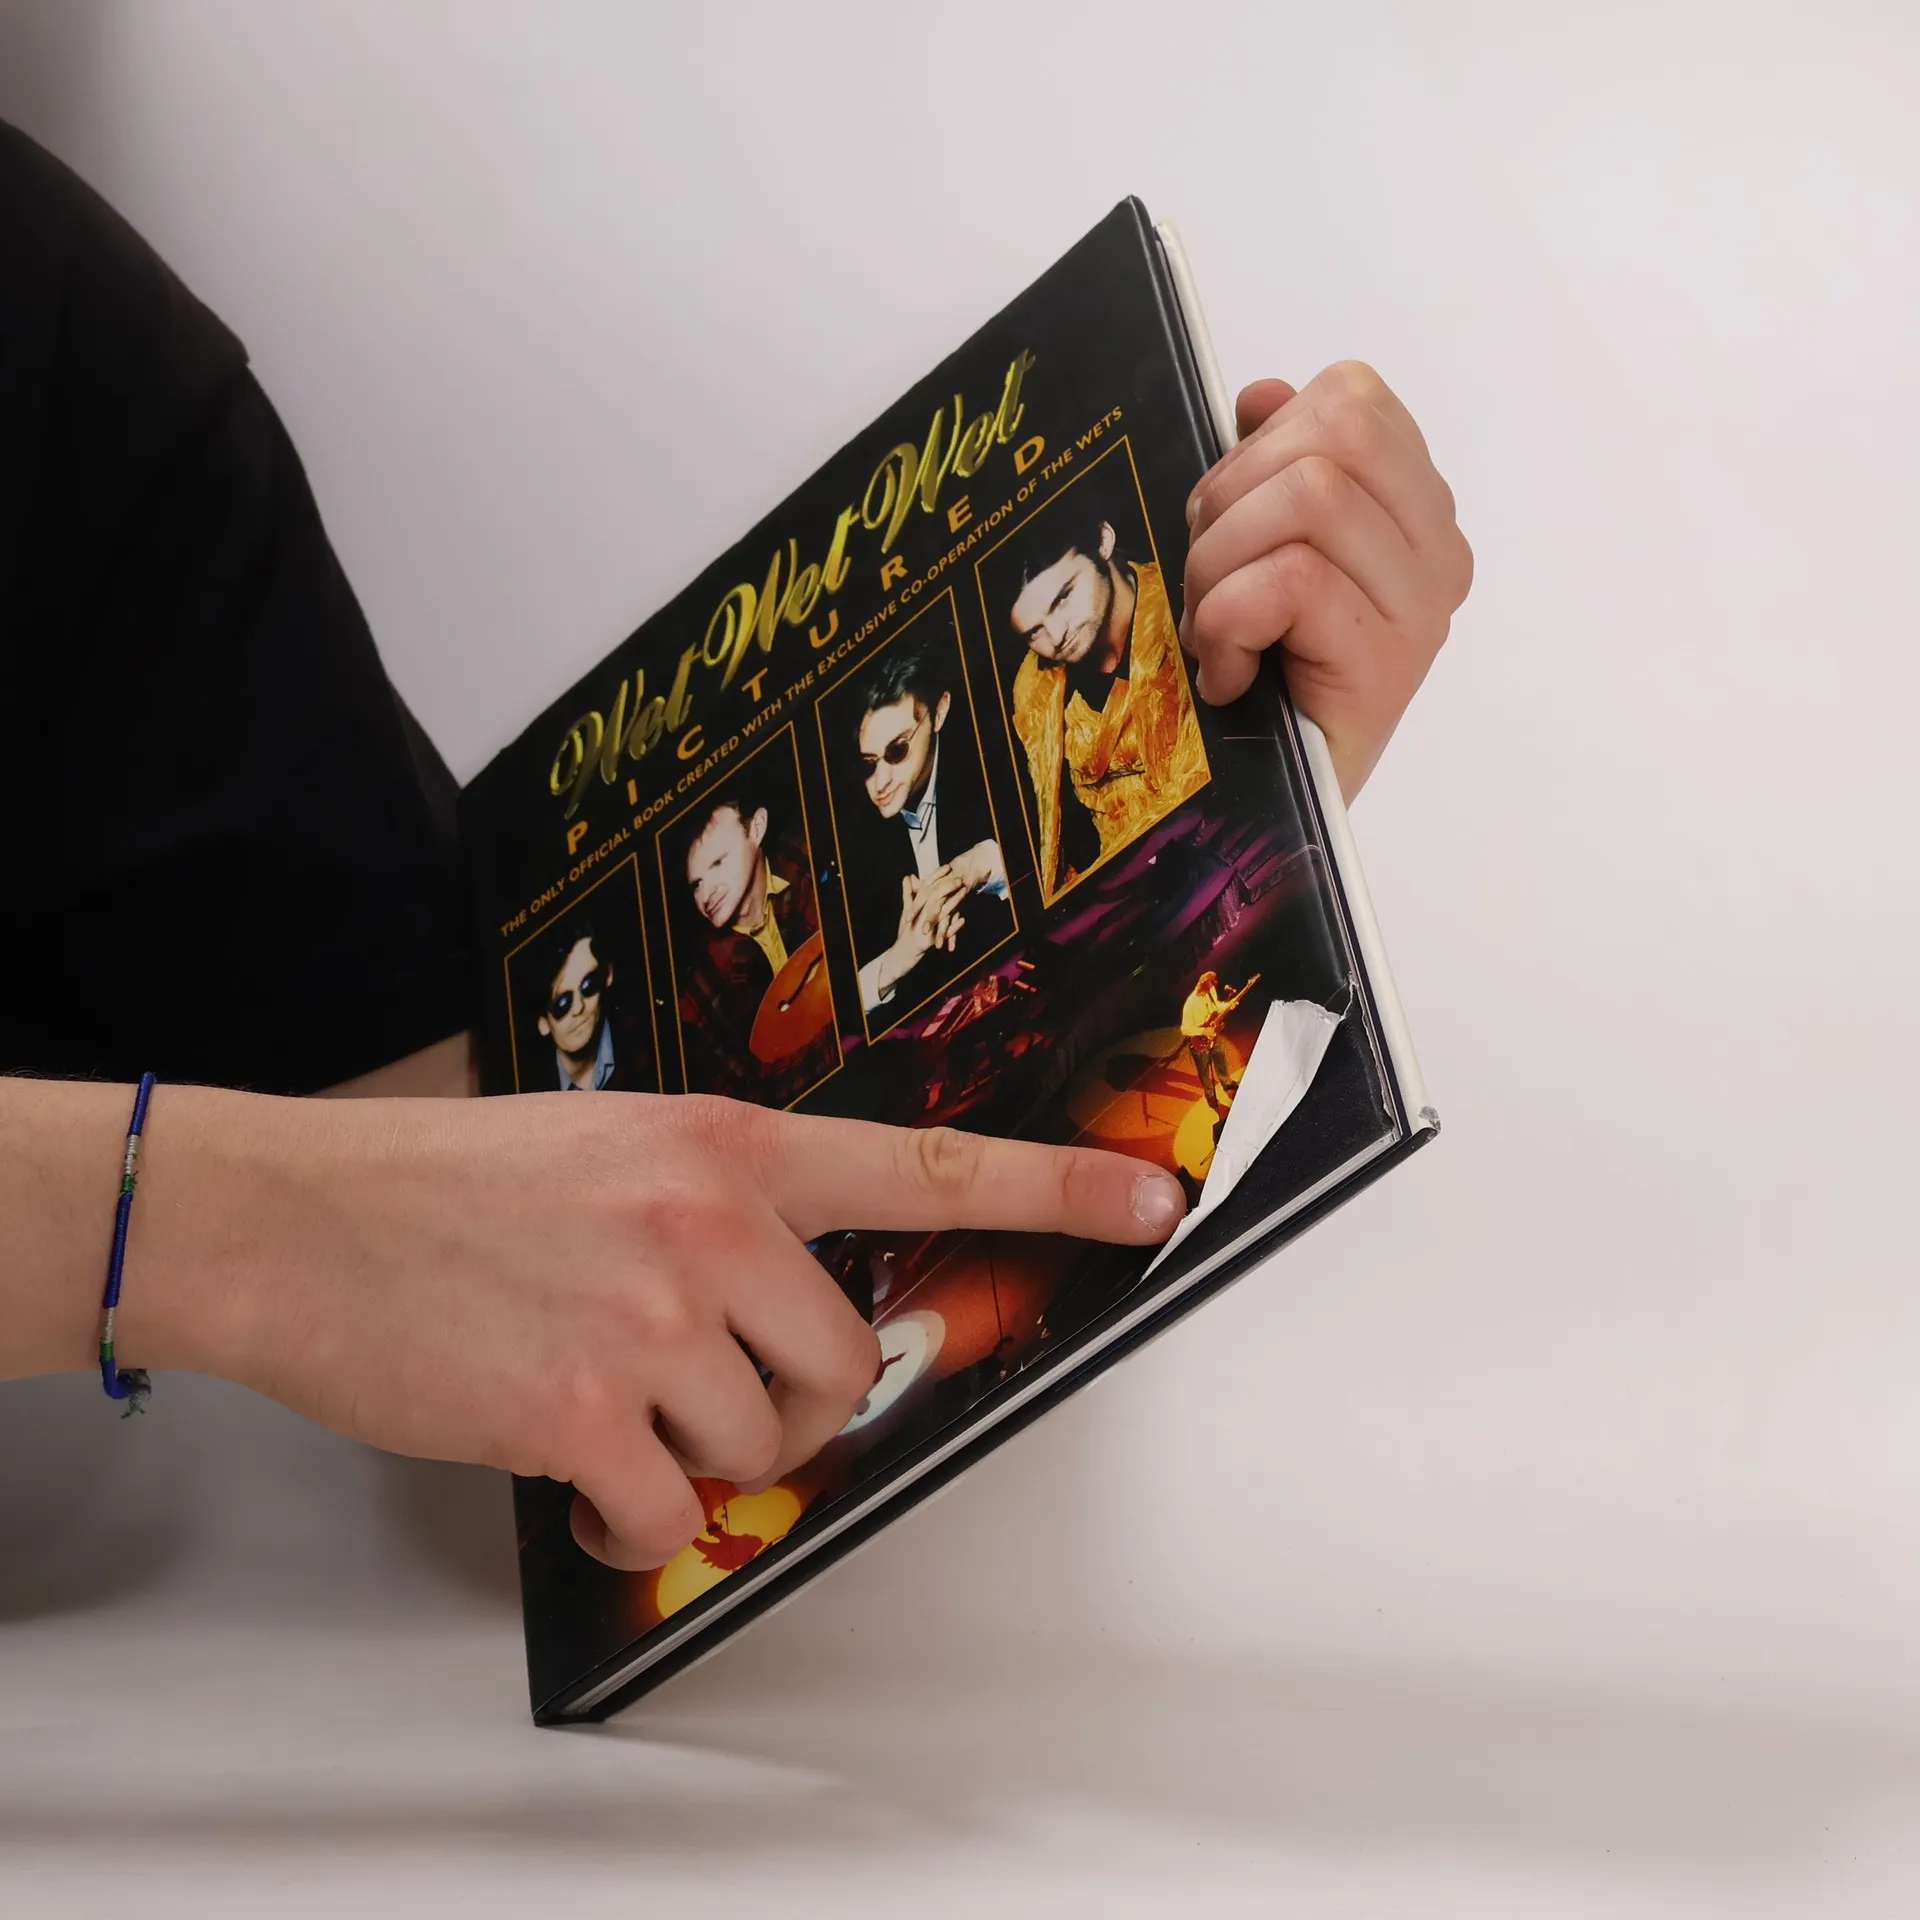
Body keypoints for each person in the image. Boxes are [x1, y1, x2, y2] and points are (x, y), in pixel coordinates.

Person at [0, 120, 1472, 1578]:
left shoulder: (60, 335)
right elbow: (364, 1215)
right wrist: (217, 1230)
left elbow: (472, 1201)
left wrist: (1230, 802)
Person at [1004, 509, 1208, 900]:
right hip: (1120, 892)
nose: (1057, 635)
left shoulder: (1181, 597)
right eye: (1033, 632)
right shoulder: (1034, 686)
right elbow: (1052, 837)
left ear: (1103, 541)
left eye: (1063, 597)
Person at [842, 634, 1012, 1020]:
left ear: (939, 712)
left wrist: (980, 865)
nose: (880, 782)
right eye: (868, 763)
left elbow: (1066, 846)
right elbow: (839, 1006)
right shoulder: (856, 838)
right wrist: (898, 958)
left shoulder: (991, 757)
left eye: (897, 750)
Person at [677, 788, 839, 1104]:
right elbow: (750, 1098)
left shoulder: (804, 860)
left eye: (717, 862)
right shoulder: (703, 982)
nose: (706, 894)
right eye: (696, 884)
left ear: (757, 828)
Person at [531, 920, 649, 1093]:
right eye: (563, 1003)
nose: (578, 1008)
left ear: (608, 976)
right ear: (543, 1023)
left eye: (588, 985)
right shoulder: (533, 1093)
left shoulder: (646, 1045)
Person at [1179, 970, 1243, 1119]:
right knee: (1204, 1073)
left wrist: (1228, 1005)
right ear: (1200, 986)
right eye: (1207, 990)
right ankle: (1210, 1096)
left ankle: (1226, 1082)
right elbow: (1185, 1029)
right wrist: (1203, 1031)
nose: (1210, 991)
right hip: (1200, 1042)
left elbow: (1216, 1008)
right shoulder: (1190, 1004)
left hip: (1214, 1034)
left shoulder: (1210, 990)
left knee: (1221, 1059)